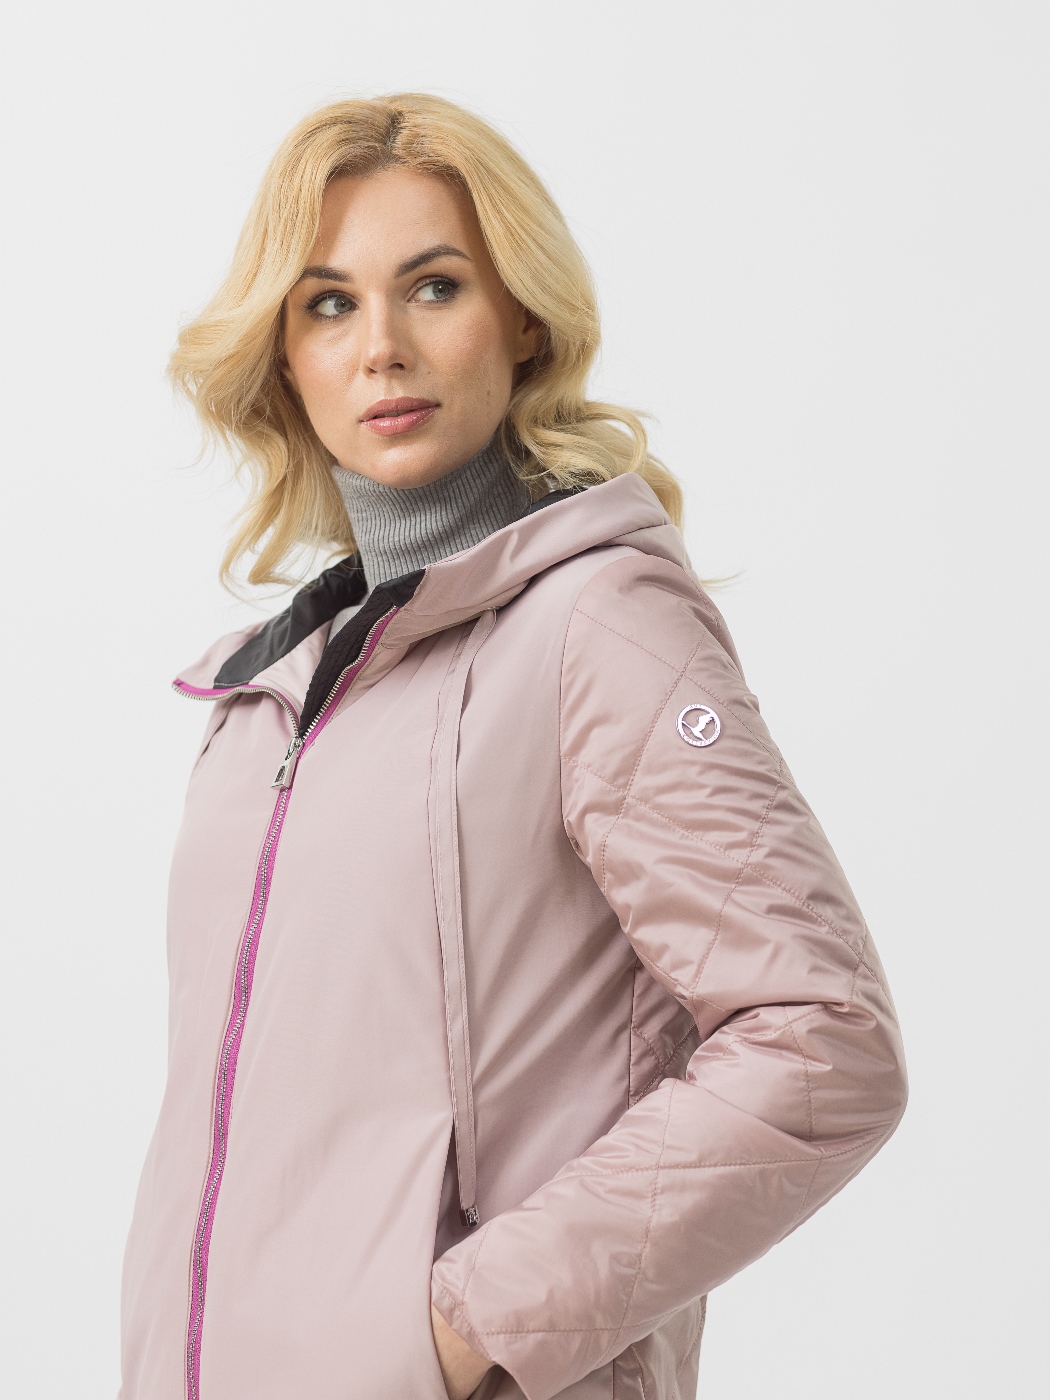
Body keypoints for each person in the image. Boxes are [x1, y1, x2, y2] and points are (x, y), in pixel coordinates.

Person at [119, 93, 908, 1400]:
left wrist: (456, 1329)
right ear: (284, 354)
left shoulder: (601, 624)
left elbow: (821, 1044)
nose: (381, 347)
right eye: (328, 304)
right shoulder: (267, 693)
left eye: (433, 287)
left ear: (521, 318)